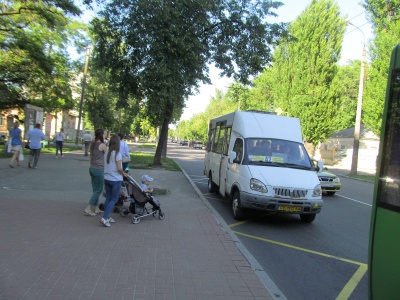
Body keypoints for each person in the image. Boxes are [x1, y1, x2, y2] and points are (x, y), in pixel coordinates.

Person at [101, 134, 128, 227]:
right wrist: (124, 174)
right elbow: (119, 169)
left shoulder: (107, 153)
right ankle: (104, 217)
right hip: (115, 179)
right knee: (114, 199)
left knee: (108, 198)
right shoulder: (118, 154)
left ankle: (107, 215)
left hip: (107, 178)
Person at [84, 129, 107, 216]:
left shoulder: (92, 144)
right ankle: (88, 208)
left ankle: (96, 208)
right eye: (104, 134)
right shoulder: (102, 145)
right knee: (99, 190)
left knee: (95, 189)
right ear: (101, 135)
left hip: (92, 168)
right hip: (99, 169)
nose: (104, 136)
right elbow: (108, 155)